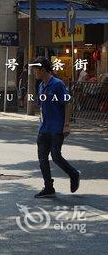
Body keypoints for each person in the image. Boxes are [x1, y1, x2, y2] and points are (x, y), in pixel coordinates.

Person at [32, 57, 80, 198]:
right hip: (44, 128)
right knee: (42, 159)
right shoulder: (41, 85)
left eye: (36, 70)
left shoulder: (57, 84)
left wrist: (66, 124)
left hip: (57, 128)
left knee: (56, 156)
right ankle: (49, 187)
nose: (35, 72)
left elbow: (67, 103)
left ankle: (74, 174)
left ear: (43, 70)